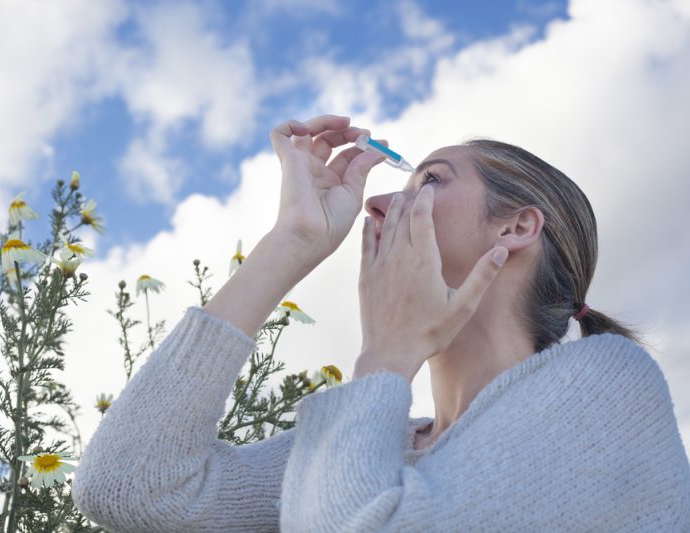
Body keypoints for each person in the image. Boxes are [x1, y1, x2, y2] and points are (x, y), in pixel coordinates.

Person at [71, 115, 690, 531]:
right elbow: (128, 487)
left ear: (516, 227)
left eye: (431, 181)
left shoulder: (609, 381)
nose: (376, 201)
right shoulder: (384, 443)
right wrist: (292, 241)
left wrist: (387, 354)